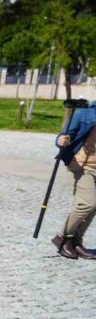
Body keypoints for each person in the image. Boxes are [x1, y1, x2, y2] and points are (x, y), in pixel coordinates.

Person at [53, 100, 96, 260]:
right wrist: (61, 141)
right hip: (82, 165)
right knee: (87, 204)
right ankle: (62, 237)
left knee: (93, 206)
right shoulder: (84, 113)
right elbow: (62, 136)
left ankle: (76, 242)